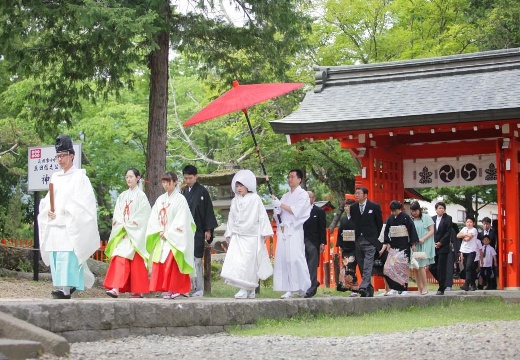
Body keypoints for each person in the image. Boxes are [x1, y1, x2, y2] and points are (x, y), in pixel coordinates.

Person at [37, 135, 100, 299]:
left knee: (67, 256)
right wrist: (47, 211)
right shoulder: (55, 177)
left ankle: (67, 288)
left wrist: (69, 210)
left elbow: (86, 202)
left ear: (71, 156)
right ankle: (62, 286)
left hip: (70, 223)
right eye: (58, 156)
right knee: (57, 255)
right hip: (55, 222)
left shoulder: (80, 177)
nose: (60, 159)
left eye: (63, 156)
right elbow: (47, 201)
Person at [220, 170, 273, 299]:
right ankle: (243, 288)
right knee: (239, 262)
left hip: (251, 235)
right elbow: (231, 218)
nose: (239, 189)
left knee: (250, 263)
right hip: (238, 235)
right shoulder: (235, 201)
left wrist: (265, 232)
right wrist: (229, 233)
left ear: (247, 186)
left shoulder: (255, 198)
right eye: (237, 186)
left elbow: (262, 215)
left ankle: (250, 288)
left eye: (241, 186)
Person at [146, 172, 195, 299]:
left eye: (168, 182)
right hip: (162, 235)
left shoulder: (180, 199)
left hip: (174, 237)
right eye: (163, 182)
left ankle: (176, 288)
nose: (165, 185)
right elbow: (154, 217)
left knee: (173, 262)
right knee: (163, 262)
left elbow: (182, 220)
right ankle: (169, 288)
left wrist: (168, 233)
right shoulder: (160, 199)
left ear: (175, 182)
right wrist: (159, 230)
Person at [103, 168, 151, 298]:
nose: (128, 179)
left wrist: (129, 225)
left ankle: (137, 290)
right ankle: (115, 287)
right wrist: (121, 224)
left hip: (134, 234)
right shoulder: (122, 195)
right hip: (124, 234)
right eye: (127, 177)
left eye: (131, 176)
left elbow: (143, 215)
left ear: (138, 178)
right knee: (119, 258)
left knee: (135, 262)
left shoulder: (141, 196)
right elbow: (117, 214)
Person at [272, 169, 312, 299]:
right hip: (284, 230)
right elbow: (281, 213)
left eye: (292, 177)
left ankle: (303, 286)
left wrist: (281, 205)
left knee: (295, 258)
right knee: (285, 258)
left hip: (294, 229)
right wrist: (277, 209)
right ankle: (290, 288)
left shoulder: (303, 194)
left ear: (299, 179)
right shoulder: (285, 195)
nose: (290, 179)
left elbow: (296, 211)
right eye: (289, 177)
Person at [181, 165, 218, 298]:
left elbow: (208, 211)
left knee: (197, 258)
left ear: (196, 176)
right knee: (186, 258)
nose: (188, 180)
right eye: (185, 178)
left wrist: (208, 229)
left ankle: (199, 288)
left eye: (190, 178)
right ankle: (187, 287)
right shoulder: (183, 191)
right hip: (185, 229)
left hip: (198, 229)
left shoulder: (202, 191)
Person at [349, 187, 383, 298]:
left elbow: (379, 224)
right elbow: (353, 222)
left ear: (365, 195)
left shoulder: (374, 206)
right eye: (356, 193)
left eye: (359, 193)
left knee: (368, 264)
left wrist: (375, 239)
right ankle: (369, 289)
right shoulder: (353, 207)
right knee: (361, 264)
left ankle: (363, 287)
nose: (356, 195)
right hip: (358, 239)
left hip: (370, 240)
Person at [382, 200, 419, 296]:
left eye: (395, 210)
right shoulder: (390, 218)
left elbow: (412, 230)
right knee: (389, 267)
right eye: (392, 211)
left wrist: (413, 243)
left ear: (400, 209)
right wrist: (387, 242)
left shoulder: (406, 217)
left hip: (404, 245)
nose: (394, 212)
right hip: (393, 245)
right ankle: (394, 287)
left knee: (403, 268)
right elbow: (386, 231)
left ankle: (404, 288)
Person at [302, 191, 326, 298]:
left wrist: (322, 243)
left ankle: (311, 287)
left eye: (309, 197)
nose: (307, 199)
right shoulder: (300, 210)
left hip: (314, 241)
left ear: (313, 198)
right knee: (303, 264)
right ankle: (307, 285)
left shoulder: (319, 211)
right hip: (301, 240)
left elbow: (322, 228)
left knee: (312, 264)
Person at [410, 201, 435, 295]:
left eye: (416, 210)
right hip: (414, 246)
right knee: (415, 267)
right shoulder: (411, 220)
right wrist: (412, 244)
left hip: (424, 244)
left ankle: (425, 287)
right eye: (412, 211)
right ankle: (419, 287)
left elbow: (432, 230)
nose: (414, 213)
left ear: (419, 210)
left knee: (421, 266)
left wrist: (423, 238)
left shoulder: (426, 217)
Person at [336, 199, 359, 296]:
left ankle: (354, 288)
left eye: (349, 206)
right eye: (346, 206)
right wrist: (340, 245)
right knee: (346, 267)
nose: (347, 208)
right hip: (345, 246)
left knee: (351, 266)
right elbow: (340, 233)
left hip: (354, 246)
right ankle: (348, 287)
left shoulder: (358, 218)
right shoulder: (343, 219)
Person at [430, 201, 453, 295]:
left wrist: (440, 243)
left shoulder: (448, 218)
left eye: (443, 208)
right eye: (439, 208)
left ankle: (441, 288)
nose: (441, 209)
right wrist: (433, 243)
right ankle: (442, 282)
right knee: (432, 267)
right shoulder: (432, 219)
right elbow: (430, 231)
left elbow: (448, 232)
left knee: (441, 267)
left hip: (443, 246)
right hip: (433, 246)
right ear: (436, 209)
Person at [457, 216, 480, 292]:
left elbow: (467, 239)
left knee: (468, 267)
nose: (469, 223)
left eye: (470, 222)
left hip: (471, 251)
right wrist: (465, 235)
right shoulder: (464, 229)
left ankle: (466, 285)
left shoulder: (474, 230)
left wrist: (463, 236)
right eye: (467, 222)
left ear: (473, 223)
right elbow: (458, 235)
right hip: (464, 251)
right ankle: (473, 285)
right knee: (469, 269)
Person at [478, 217, 498, 289]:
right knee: (482, 270)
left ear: (490, 224)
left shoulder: (494, 232)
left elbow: (496, 243)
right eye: (484, 224)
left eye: (487, 224)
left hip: (491, 253)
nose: (485, 226)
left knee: (491, 270)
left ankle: (492, 285)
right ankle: (481, 284)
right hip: (482, 254)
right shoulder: (480, 234)